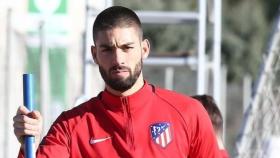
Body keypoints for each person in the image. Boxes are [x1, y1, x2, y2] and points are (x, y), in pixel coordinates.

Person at [13, 6, 222, 158]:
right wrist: (27, 144)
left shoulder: (189, 113)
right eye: (107, 49)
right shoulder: (70, 127)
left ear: (145, 49)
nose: (118, 59)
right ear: (94, 54)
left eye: (127, 47)